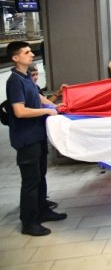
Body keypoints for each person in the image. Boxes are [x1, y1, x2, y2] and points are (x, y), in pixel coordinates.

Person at [6, 41, 66, 236]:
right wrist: (47, 113)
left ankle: (42, 210)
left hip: (37, 136)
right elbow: (20, 111)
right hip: (26, 139)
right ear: (15, 58)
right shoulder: (14, 81)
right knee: (31, 181)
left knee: (40, 176)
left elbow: (38, 98)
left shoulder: (26, 78)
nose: (31, 54)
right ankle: (29, 222)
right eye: (26, 52)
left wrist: (54, 106)